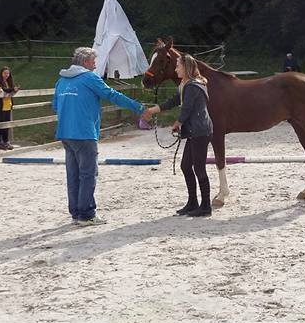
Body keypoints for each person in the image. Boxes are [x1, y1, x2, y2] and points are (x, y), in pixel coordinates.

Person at [54, 47, 145, 225]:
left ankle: (76, 213)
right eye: (93, 61)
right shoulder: (90, 78)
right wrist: (138, 107)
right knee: (88, 174)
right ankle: (87, 214)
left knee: (73, 175)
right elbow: (111, 95)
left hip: (65, 132)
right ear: (85, 62)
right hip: (85, 133)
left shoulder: (61, 81)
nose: (95, 65)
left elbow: (56, 106)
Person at [142, 54, 213, 217]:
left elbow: (187, 108)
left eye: (178, 66)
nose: (175, 69)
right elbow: (174, 101)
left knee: (199, 169)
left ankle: (206, 206)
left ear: (185, 68)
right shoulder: (187, 85)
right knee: (186, 166)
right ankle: (193, 202)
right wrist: (153, 110)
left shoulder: (192, 86)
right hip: (196, 131)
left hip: (199, 131)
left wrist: (178, 122)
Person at [0, 67, 20, 150]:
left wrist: (14, 89)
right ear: (1, 73)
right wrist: (13, 89)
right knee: (0, 124)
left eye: (8, 73)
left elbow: (10, 90)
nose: (6, 75)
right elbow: (4, 90)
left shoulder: (9, 82)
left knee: (7, 124)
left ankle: (6, 141)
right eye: (5, 73)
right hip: (0, 106)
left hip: (8, 105)